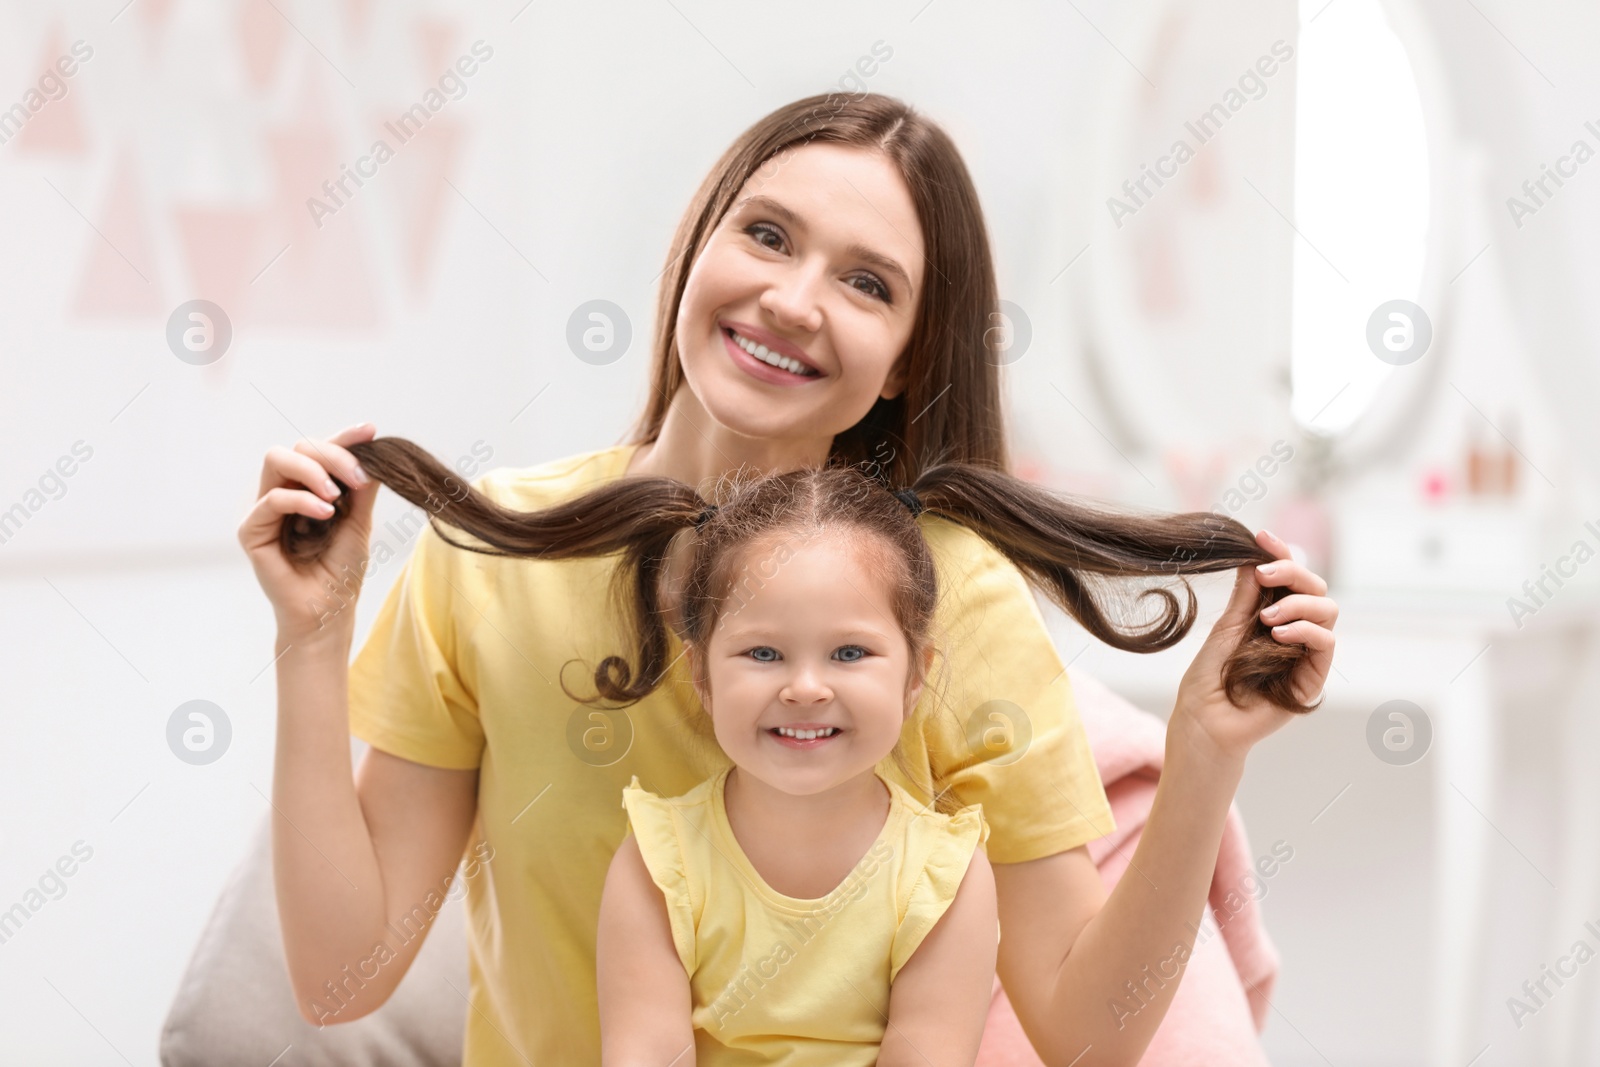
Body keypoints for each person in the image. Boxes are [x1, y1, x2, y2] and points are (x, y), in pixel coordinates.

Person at [238, 91, 1337, 1067]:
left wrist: (1202, 752)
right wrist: (310, 638)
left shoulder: (957, 599)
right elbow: (343, 978)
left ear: (908, 355)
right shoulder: (495, 553)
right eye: (766, 235)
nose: (794, 299)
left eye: (866, 283)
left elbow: (1089, 1036)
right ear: (697, 244)